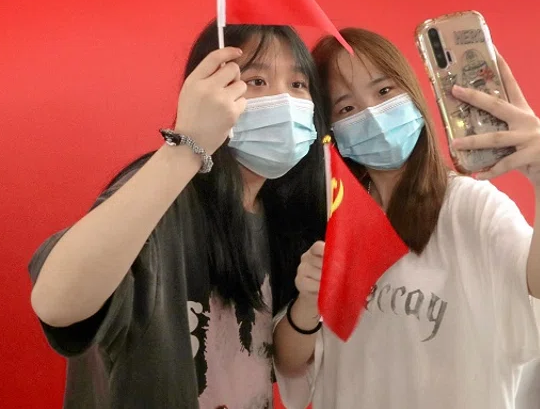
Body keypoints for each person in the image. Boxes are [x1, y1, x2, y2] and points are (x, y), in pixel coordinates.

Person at [273, 27, 540, 408]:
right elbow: (290, 362)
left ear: (414, 95)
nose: (372, 113)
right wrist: (308, 300)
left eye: (385, 91)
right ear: (331, 131)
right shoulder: (334, 217)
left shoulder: (468, 207)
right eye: (346, 108)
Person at [28, 22, 328, 409]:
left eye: (298, 85)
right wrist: (190, 143)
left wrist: (310, 298)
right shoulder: (164, 194)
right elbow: (58, 304)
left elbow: (281, 357)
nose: (283, 100)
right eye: (256, 81)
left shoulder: (281, 215)